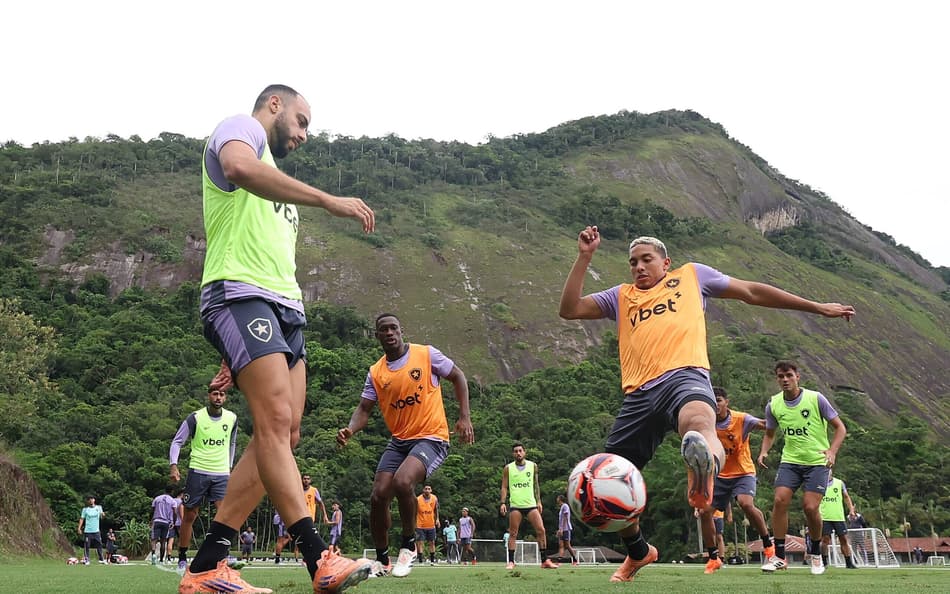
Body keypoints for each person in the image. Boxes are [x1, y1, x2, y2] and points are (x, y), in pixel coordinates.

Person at [558, 228, 855, 584]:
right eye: (633, 262)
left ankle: (705, 463)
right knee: (613, 476)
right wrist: (584, 257)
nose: (638, 267)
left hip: (685, 376)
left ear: (665, 263)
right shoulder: (620, 297)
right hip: (638, 395)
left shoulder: (691, 276)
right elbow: (569, 309)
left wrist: (814, 306)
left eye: (646, 259)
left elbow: (750, 291)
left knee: (698, 421)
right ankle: (638, 552)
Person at [180, 84, 376, 594]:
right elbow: (241, 170)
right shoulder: (239, 130)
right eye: (302, 120)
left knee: (284, 436)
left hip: (285, 310)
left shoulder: (279, 184)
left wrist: (235, 351)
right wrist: (328, 200)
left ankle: (205, 567)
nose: (305, 134)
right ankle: (319, 559)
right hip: (240, 295)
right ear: (275, 106)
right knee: (272, 423)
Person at [336, 313, 474, 578]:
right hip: (399, 441)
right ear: (377, 336)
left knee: (402, 482)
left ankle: (408, 545)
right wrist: (350, 429)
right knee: (378, 496)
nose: (389, 333)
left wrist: (464, 417)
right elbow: (364, 409)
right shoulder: (376, 372)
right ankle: (381, 560)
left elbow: (458, 376)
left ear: (401, 331)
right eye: (383, 330)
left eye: (393, 328)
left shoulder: (425, 354)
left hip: (432, 437)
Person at [758, 361, 848, 576]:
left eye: (789, 375)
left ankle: (816, 553)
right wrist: (763, 451)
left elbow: (840, 428)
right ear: (777, 379)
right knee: (779, 501)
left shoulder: (816, 399)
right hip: (790, 461)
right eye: (781, 376)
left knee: (809, 507)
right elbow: (770, 433)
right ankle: (779, 557)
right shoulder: (774, 404)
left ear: (798, 376)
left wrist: (832, 451)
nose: (785, 379)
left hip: (817, 462)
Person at [699, 386, 773, 574]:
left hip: (743, 472)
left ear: (726, 402)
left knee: (745, 504)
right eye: (712, 400)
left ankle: (767, 543)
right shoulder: (706, 423)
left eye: (719, 400)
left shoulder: (742, 419)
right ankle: (713, 558)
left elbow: (765, 425)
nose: (716, 404)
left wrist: (776, 411)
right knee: (704, 512)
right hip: (719, 475)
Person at [169, 386, 238, 575]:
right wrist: (173, 465)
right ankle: (182, 557)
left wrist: (229, 467)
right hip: (198, 470)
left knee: (224, 515)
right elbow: (177, 441)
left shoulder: (232, 418)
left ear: (225, 397)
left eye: (222, 394)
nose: (218, 397)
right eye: (215, 393)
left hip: (221, 473)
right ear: (209, 395)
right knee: (190, 515)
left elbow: (232, 443)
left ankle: (223, 554)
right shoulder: (196, 418)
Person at [500, 442, 558, 570]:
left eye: (520, 451)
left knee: (541, 530)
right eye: (515, 451)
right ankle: (511, 561)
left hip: (531, 504)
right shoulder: (508, 468)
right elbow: (504, 486)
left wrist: (539, 501)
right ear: (513, 454)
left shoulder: (533, 466)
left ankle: (544, 561)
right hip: (516, 504)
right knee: (513, 533)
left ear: (524, 452)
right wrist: (503, 502)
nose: (518, 453)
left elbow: (536, 484)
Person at [819, 471, 857, 568]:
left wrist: (851, 510)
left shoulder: (839, 483)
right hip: (824, 516)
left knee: (843, 539)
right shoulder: (819, 483)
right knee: (825, 540)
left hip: (838, 516)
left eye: (829, 473)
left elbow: (846, 497)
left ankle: (849, 563)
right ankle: (824, 561)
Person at [151, 485, 180, 564]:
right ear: (172, 491)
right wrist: (173, 522)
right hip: (166, 522)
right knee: (163, 541)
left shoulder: (157, 498)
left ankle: (153, 554)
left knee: (154, 539)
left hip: (157, 520)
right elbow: (175, 512)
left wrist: (151, 520)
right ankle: (161, 560)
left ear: (165, 490)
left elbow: (152, 510)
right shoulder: (172, 501)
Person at [415, 485, 441, 565]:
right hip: (420, 524)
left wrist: (437, 519)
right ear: (423, 490)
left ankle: (432, 561)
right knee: (420, 542)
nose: (427, 490)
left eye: (429, 489)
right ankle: (420, 561)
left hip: (431, 524)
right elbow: (414, 511)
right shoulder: (418, 499)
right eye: (426, 489)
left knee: (432, 542)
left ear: (431, 490)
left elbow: (436, 509)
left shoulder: (434, 498)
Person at [78, 496, 106, 565]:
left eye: (92, 499)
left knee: (99, 544)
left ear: (94, 500)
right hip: (88, 531)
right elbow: (82, 519)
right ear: (88, 501)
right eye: (89, 500)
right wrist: (79, 528)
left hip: (96, 530)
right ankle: (87, 559)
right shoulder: (85, 509)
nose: (91, 501)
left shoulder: (99, 507)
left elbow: (102, 517)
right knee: (87, 545)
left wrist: (103, 515)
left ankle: (101, 559)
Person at [555, 494, 578, 566]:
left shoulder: (565, 506)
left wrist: (562, 529)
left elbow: (565, 517)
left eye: (557, 498)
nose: (557, 499)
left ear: (560, 499)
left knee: (567, 546)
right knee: (561, 545)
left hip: (566, 529)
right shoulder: (562, 507)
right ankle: (559, 561)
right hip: (561, 529)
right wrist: (559, 529)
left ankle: (575, 560)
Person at [166, 487, 183, 561]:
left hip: (171, 522)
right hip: (179, 523)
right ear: (181, 494)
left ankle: (169, 556)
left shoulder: (171, 501)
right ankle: (181, 555)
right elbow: (181, 513)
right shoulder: (181, 502)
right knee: (181, 540)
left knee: (170, 540)